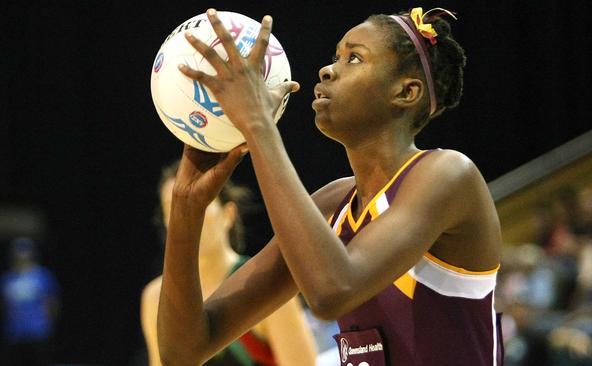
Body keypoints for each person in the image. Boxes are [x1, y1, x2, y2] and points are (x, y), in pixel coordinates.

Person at [158, 6, 502, 366]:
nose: (328, 69)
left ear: (406, 92)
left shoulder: (449, 175)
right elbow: (183, 352)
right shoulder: (332, 204)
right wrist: (186, 207)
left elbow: (334, 291)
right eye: (335, 56)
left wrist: (259, 126)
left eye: (354, 58)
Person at [140, 161, 317, 365]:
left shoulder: (263, 281)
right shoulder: (155, 298)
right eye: (172, 209)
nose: (186, 218)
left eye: (198, 203)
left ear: (228, 214)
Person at [1, 237, 59, 366]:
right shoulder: (7, 278)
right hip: (14, 332)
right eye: (18, 252)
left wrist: (48, 323)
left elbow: (52, 302)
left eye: (25, 252)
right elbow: (4, 305)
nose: (21, 256)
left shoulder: (43, 275)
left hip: (38, 331)